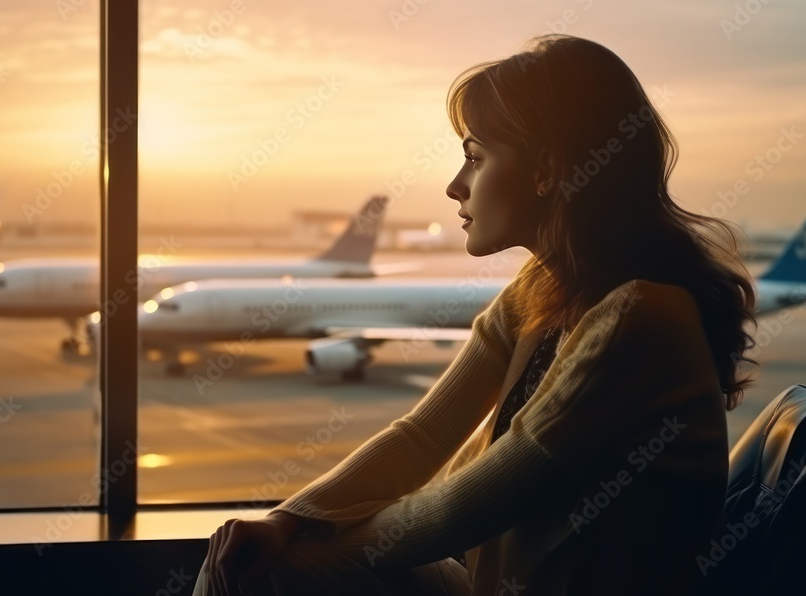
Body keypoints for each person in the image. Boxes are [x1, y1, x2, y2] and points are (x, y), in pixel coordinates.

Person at [193, 34, 756, 596]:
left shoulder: (637, 319)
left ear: (546, 170)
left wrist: (306, 548)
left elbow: (454, 513)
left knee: (257, 573)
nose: (455, 185)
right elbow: (420, 438)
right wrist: (288, 520)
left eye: (475, 158)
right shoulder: (542, 288)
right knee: (266, 561)